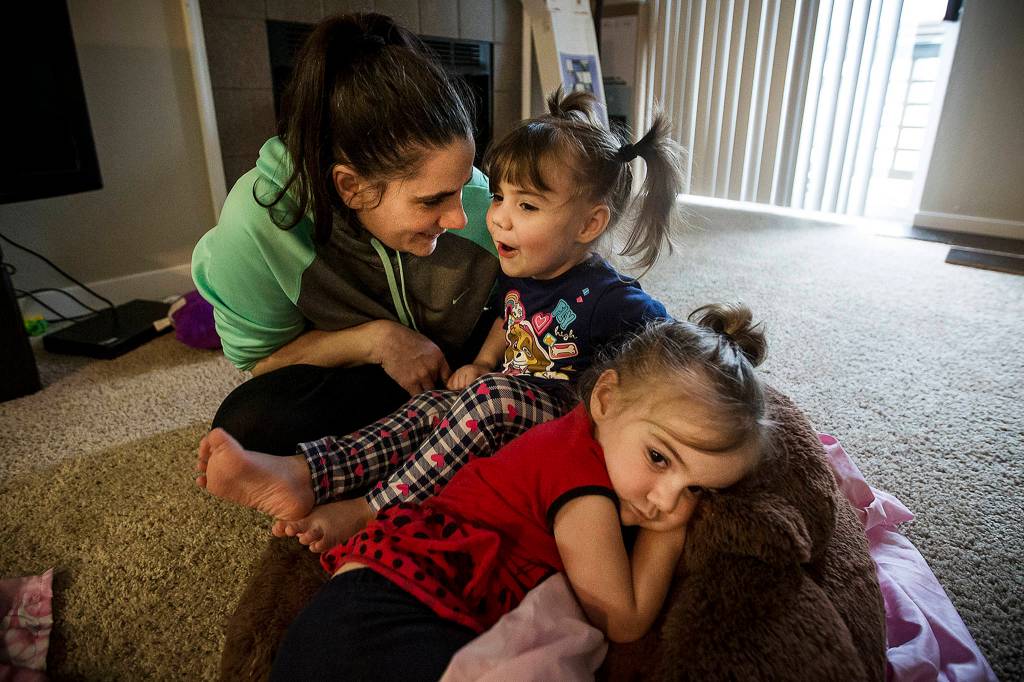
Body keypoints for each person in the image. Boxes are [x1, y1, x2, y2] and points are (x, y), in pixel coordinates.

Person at [196, 88, 686, 552]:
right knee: (436, 405)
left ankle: (370, 509)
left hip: (568, 421)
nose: (497, 219)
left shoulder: (608, 297)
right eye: (499, 197)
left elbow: (674, 347)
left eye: (527, 206)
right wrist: (483, 360)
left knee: (488, 400)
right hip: (512, 398)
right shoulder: (526, 271)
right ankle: (311, 473)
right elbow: (508, 320)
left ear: (589, 225)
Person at [202, 305, 772, 681]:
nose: (670, 499)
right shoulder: (582, 482)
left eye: (696, 488)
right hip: (405, 604)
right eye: (659, 459)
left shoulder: (581, 441)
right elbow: (621, 619)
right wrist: (667, 536)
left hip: (375, 592)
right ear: (604, 400)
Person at [190, 13, 501, 457]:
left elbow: (544, 289)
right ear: (352, 187)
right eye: (432, 201)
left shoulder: (469, 197)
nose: (459, 217)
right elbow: (263, 360)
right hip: (362, 371)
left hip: (467, 362)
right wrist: (378, 341)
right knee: (245, 429)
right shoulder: (258, 222)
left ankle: (395, 455)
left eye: (463, 183)